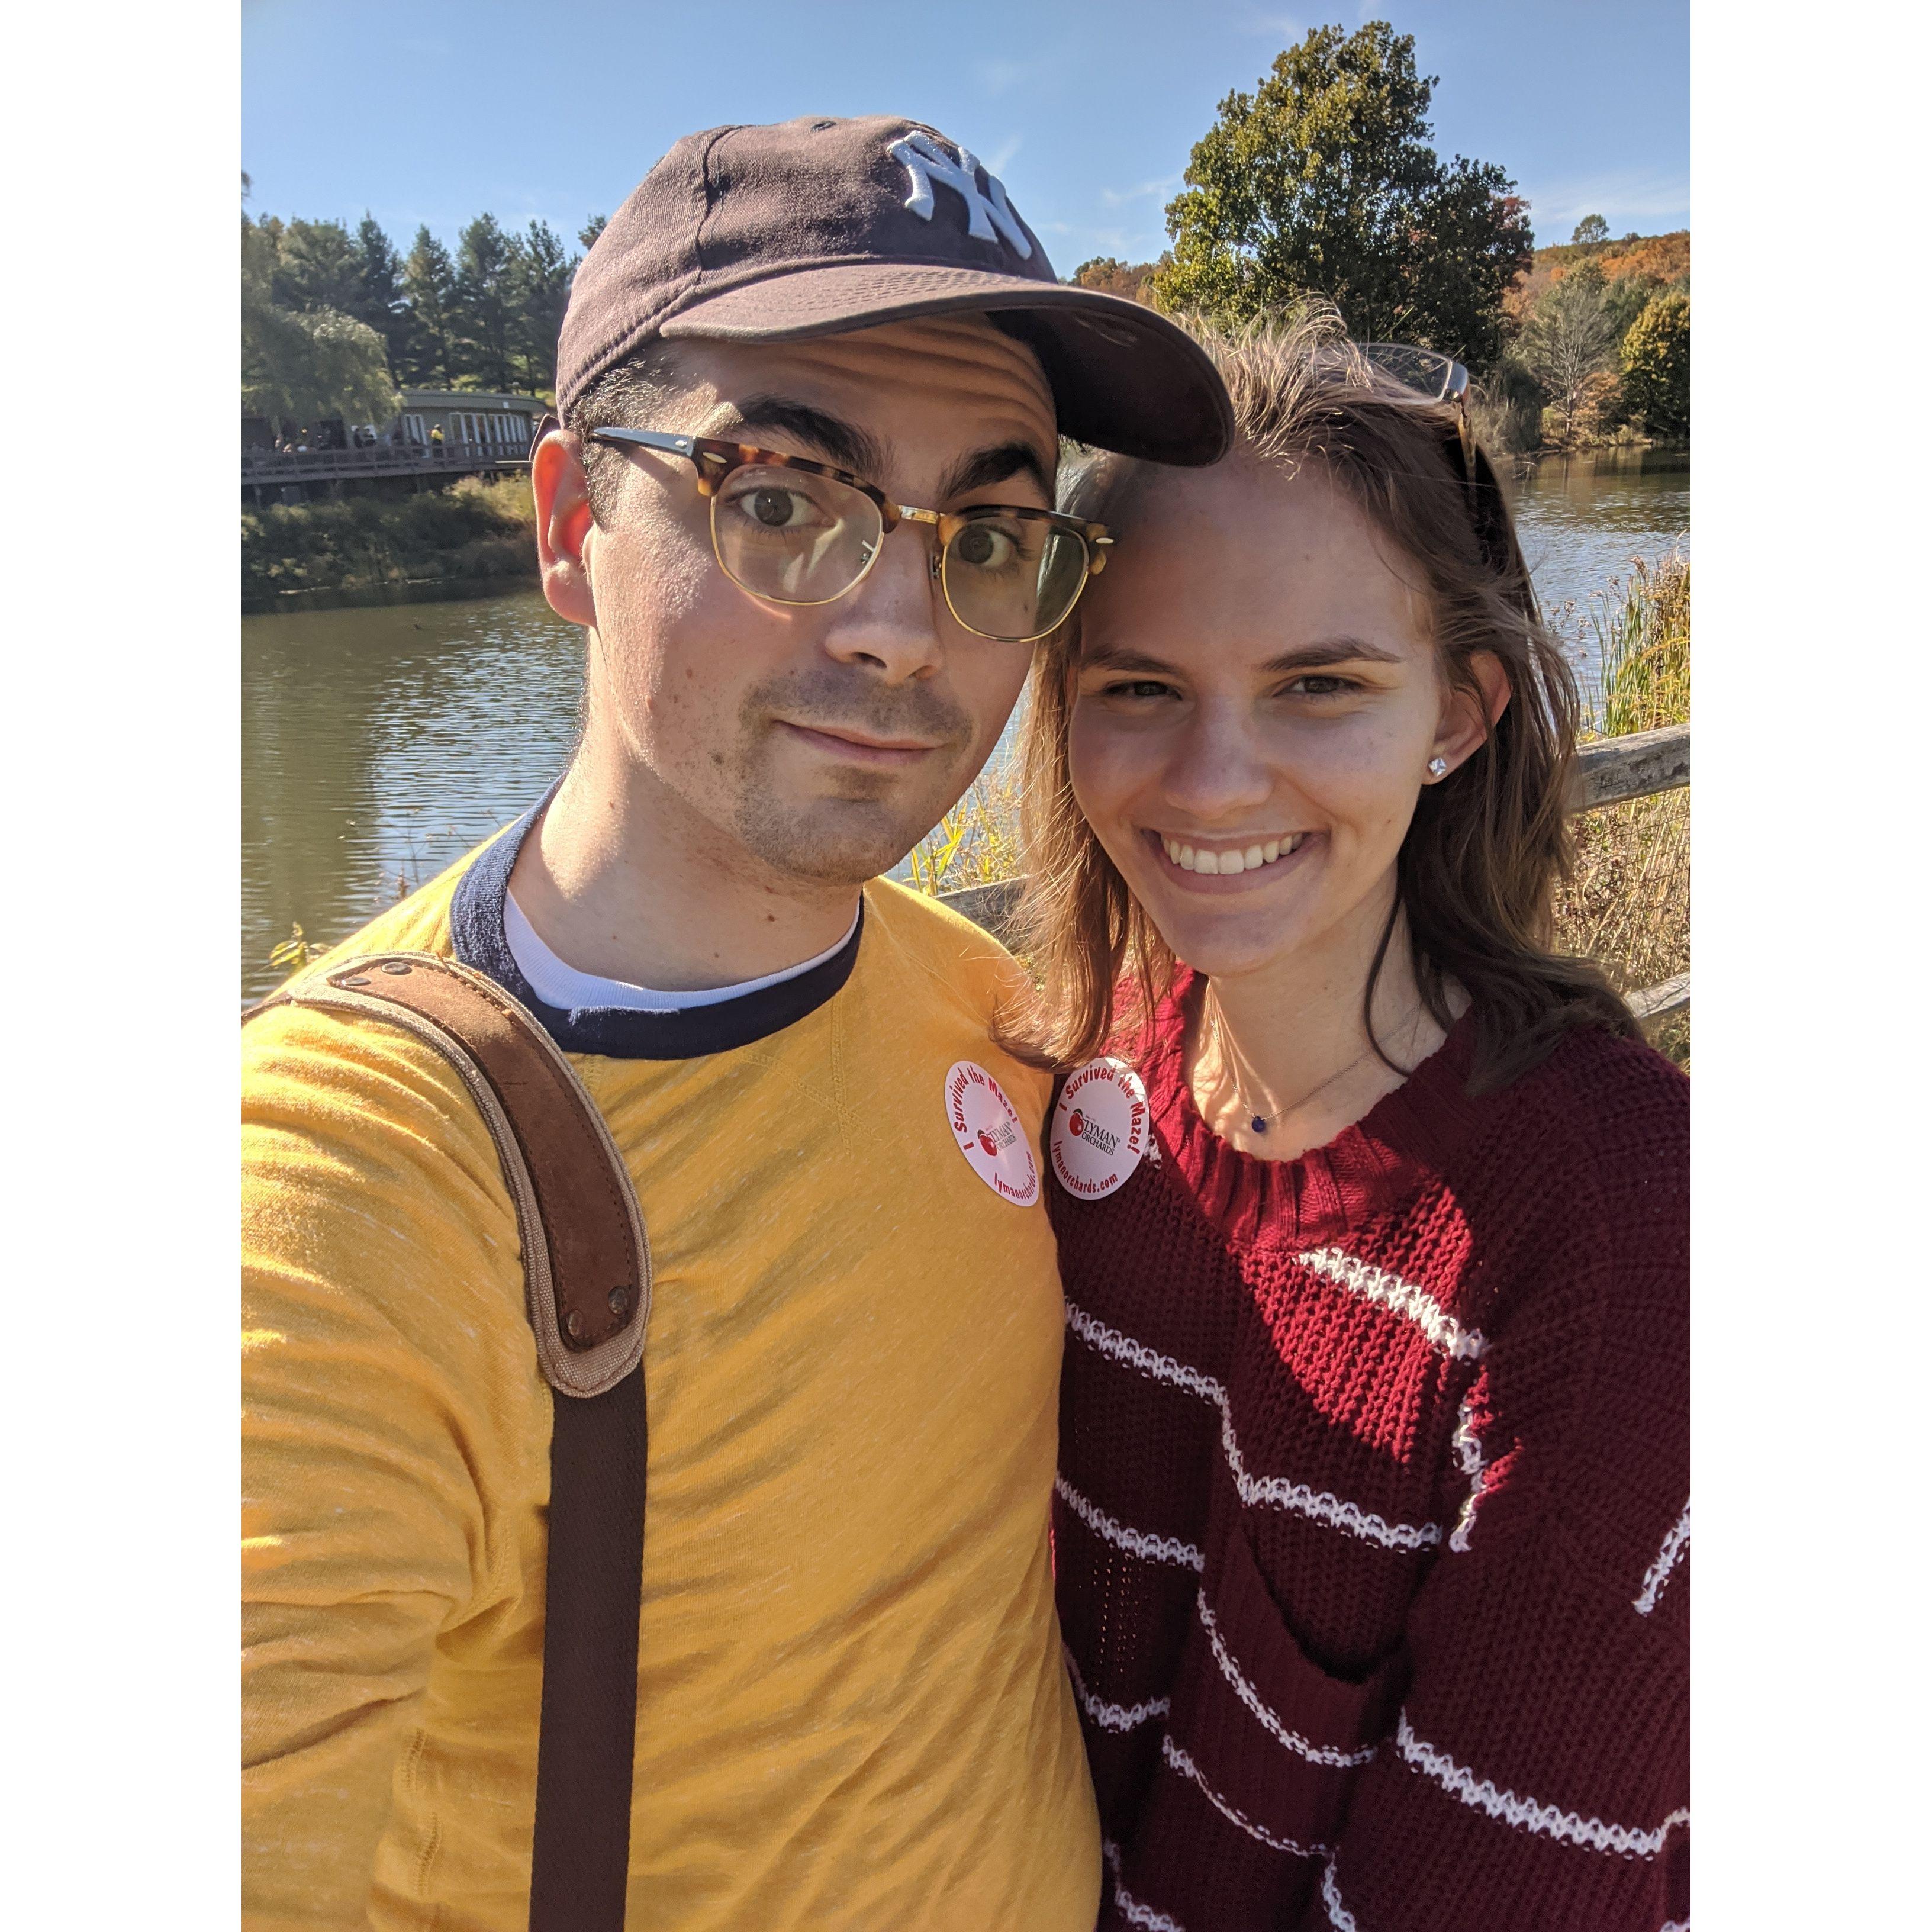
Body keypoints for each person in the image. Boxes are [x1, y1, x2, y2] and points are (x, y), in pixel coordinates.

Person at [242, 115, 1231, 1931]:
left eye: (992, 531)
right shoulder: (346, 1180)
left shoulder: (976, 999)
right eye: (778, 495)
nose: (903, 627)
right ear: (568, 528)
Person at [1016, 317, 1689, 1931]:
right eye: (1140, 686)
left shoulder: (1620, 1235)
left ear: (1457, 713)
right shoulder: (1090, 1083)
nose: (1217, 779)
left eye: (1318, 685)